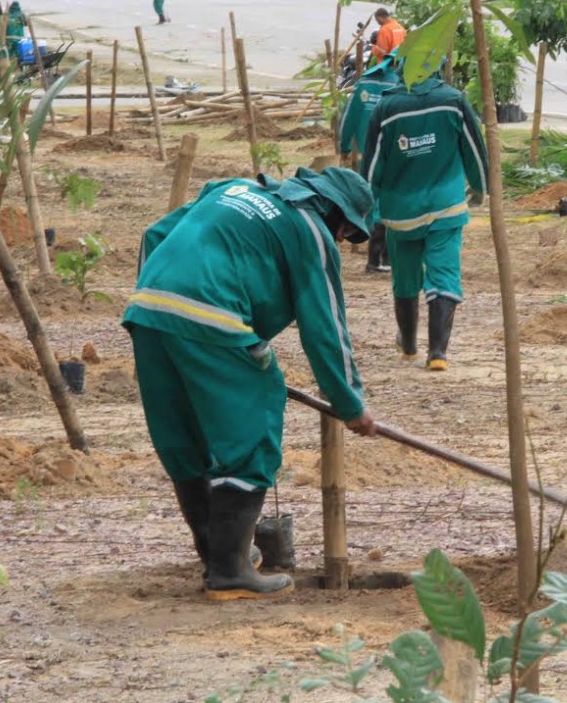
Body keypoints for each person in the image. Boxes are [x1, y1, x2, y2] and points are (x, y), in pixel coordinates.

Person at [123, 166, 378, 601]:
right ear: (334, 213)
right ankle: (229, 571)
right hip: (212, 319)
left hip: (147, 311)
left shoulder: (231, 188)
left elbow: (154, 234)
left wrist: (160, 307)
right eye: (344, 232)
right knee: (254, 422)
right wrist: (350, 403)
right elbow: (325, 329)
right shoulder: (309, 230)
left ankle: (219, 555)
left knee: (186, 438)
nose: (338, 241)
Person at [361, 63, 487, 371]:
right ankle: (438, 354)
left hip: (400, 213)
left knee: (405, 280)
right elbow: (474, 148)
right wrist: (481, 186)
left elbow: (372, 165)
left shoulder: (386, 108)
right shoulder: (454, 101)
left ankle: (408, 347)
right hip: (446, 207)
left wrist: (364, 204)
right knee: (443, 275)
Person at [337, 54, 403, 274]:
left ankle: (377, 258)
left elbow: (349, 118)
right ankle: (382, 259)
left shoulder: (363, 84)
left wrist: (344, 145)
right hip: (394, 155)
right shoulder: (399, 85)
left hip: (367, 156)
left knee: (372, 201)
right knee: (391, 204)